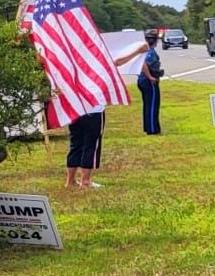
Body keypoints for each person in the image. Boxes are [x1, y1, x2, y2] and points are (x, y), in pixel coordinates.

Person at [64, 41, 152, 189]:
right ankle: (85, 182)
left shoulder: (72, 60)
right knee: (91, 145)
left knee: (75, 144)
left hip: (76, 108)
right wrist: (138, 51)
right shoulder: (97, 61)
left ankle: (70, 181)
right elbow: (117, 62)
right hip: (94, 109)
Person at [135, 29, 163, 135]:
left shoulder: (144, 50)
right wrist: (150, 77)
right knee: (152, 105)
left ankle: (150, 127)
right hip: (148, 80)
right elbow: (144, 64)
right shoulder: (149, 51)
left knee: (148, 104)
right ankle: (152, 129)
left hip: (143, 79)